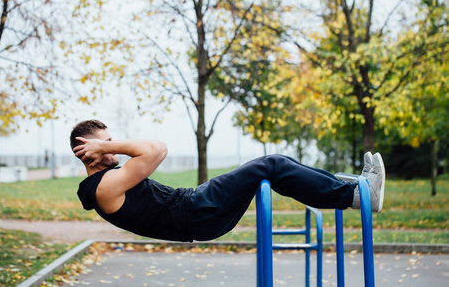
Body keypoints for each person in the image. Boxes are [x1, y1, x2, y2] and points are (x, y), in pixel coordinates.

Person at [71, 119, 385, 242]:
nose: (112, 145)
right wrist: (105, 147)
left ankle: (356, 189)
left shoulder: (109, 179)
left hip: (197, 206)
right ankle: (357, 195)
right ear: (86, 150)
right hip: (196, 213)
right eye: (104, 142)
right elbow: (158, 150)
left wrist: (105, 145)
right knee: (271, 164)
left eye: (110, 141)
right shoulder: (103, 189)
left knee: (276, 163)